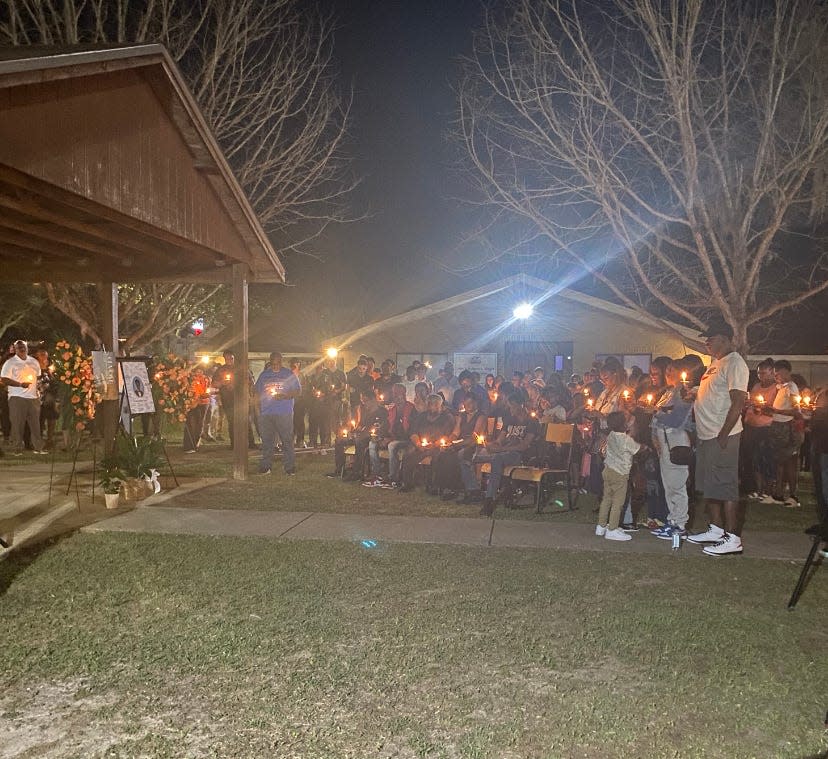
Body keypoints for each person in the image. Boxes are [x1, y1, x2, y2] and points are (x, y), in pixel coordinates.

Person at [686, 320, 749, 556]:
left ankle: (732, 538)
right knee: (709, 486)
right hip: (706, 434)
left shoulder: (734, 363)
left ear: (724, 338)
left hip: (722, 435)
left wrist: (724, 434)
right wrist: (691, 393)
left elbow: (738, 400)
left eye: (710, 338)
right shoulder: (715, 364)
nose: (707, 342)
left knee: (725, 485)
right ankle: (715, 529)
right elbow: (713, 393)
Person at [649, 358, 694, 540]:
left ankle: (680, 524)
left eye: (671, 371)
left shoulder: (683, 393)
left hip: (676, 440)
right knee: (668, 484)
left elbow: (676, 420)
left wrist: (656, 412)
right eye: (666, 370)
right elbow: (660, 416)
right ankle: (672, 521)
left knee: (677, 484)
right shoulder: (668, 392)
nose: (667, 374)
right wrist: (654, 434)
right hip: (663, 440)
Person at [476, 391, 539, 516]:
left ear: (522, 405)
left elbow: (524, 446)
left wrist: (500, 450)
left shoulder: (532, 422)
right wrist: (492, 445)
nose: (511, 409)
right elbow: (500, 440)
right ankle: (485, 492)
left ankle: (490, 499)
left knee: (497, 458)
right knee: (480, 455)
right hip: (505, 453)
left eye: (514, 406)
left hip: (519, 456)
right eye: (510, 406)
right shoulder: (510, 420)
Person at [596, 411, 641, 542]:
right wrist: (644, 447)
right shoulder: (626, 439)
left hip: (608, 470)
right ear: (623, 424)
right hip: (620, 474)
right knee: (618, 503)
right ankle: (612, 529)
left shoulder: (611, 435)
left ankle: (602, 526)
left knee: (607, 499)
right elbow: (637, 449)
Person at [761, 359, 801, 507]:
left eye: (777, 374)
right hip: (778, 427)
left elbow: (796, 411)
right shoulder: (781, 387)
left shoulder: (791, 387)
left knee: (789, 461)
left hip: (787, 428)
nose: (776, 377)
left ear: (785, 371)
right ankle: (777, 493)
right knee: (778, 461)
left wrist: (776, 411)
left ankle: (793, 495)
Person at [254, 351, 301, 475]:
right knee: (267, 441)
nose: (275, 366)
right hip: (266, 413)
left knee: (287, 440)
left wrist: (285, 396)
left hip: (284, 412)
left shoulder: (288, 374)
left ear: (281, 362)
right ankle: (266, 466)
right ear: (270, 362)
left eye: (278, 363)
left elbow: (297, 391)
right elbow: (257, 391)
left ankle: (289, 467)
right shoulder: (264, 375)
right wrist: (258, 408)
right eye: (273, 363)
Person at [398, 394, 455, 492]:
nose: (432, 407)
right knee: (408, 454)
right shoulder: (422, 416)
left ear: (440, 405)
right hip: (420, 445)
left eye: (435, 405)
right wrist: (418, 444)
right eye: (430, 404)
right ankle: (407, 483)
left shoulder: (447, 417)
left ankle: (434, 485)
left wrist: (434, 444)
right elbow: (413, 432)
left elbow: (447, 435)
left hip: (437, 445)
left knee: (438, 457)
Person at [326, 389, 387, 480]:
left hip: (372, 437)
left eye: (366, 401)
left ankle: (357, 472)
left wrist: (365, 433)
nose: (364, 403)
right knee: (339, 440)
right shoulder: (364, 411)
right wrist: (352, 431)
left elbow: (381, 428)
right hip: (360, 435)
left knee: (360, 442)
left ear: (373, 400)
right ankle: (339, 469)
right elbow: (360, 425)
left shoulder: (382, 412)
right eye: (362, 401)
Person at [0, 340, 46, 456]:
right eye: (19, 347)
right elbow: (4, 379)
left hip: (33, 398)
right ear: (15, 349)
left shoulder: (34, 362)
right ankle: (17, 448)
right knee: (17, 424)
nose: (22, 349)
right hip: (17, 397)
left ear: (27, 348)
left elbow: (38, 377)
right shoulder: (10, 363)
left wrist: (39, 390)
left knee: (36, 424)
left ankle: (38, 448)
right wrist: (20, 384)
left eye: (23, 346)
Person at [365, 383, 415, 487]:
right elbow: (387, 426)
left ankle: (393, 478)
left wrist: (391, 439)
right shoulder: (392, 410)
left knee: (392, 445)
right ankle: (377, 474)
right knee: (372, 443)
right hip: (393, 437)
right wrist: (381, 436)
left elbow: (411, 430)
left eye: (398, 393)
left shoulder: (411, 408)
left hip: (407, 439)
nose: (396, 396)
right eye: (394, 394)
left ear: (404, 394)